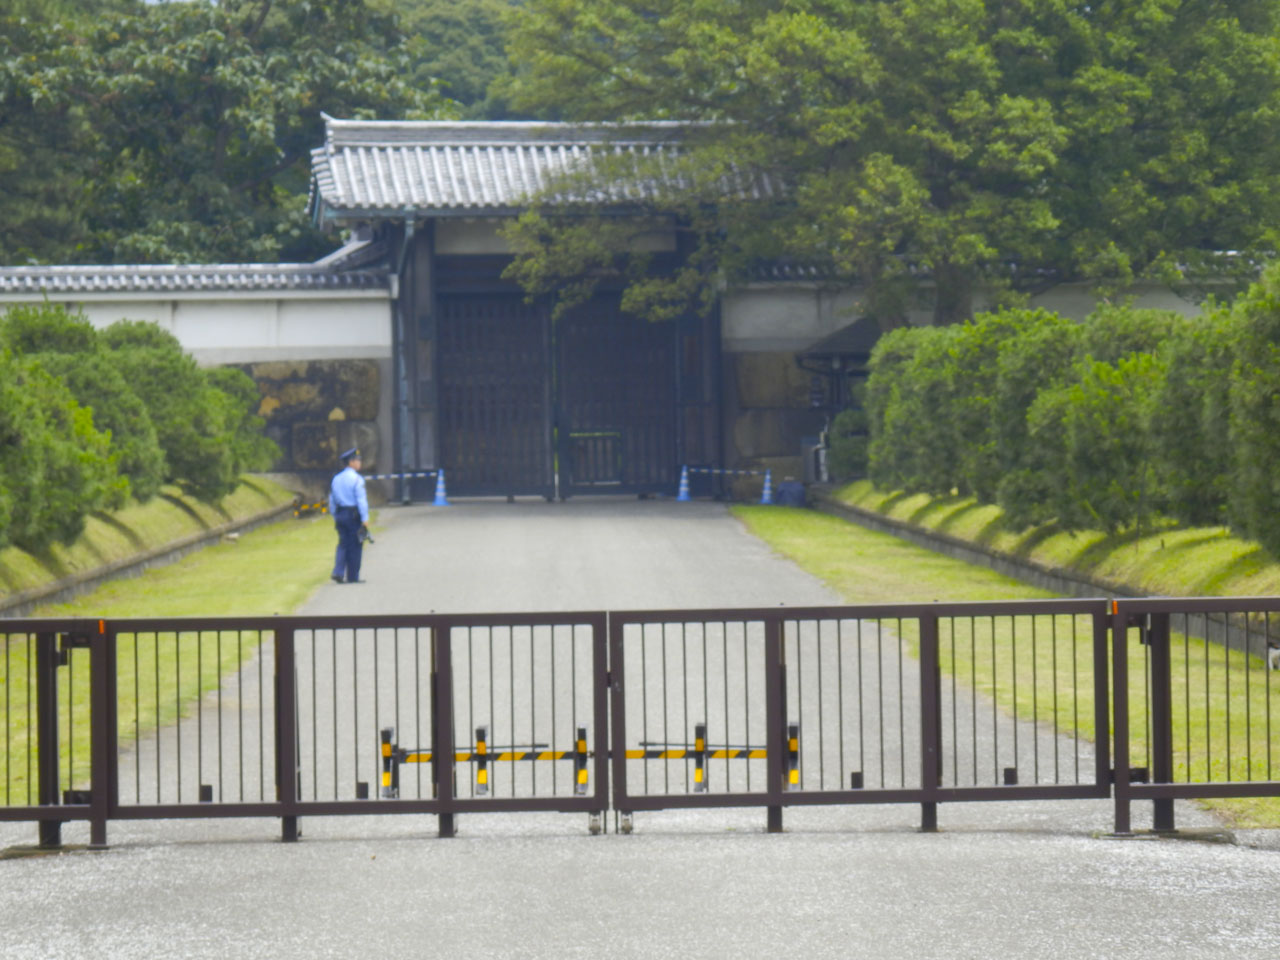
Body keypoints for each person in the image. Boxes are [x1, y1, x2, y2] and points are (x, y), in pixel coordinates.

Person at [328, 447, 369, 583]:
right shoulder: (357, 479)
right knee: (356, 544)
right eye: (358, 460)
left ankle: (338, 571)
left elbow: (332, 499)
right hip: (353, 514)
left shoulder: (336, 479)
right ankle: (353, 576)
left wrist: (335, 514)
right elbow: (361, 500)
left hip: (340, 513)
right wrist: (365, 519)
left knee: (343, 543)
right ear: (351, 462)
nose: (360, 463)